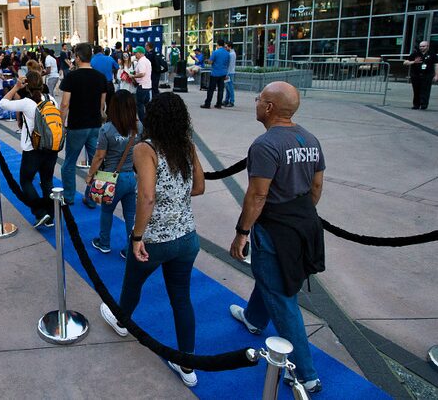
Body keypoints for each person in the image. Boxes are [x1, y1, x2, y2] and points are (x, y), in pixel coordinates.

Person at [99, 92, 205, 388]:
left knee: (132, 284)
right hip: (187, 237)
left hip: (155, 238)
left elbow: (146, 197)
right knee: (181, 298)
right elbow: (198, 187)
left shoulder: (145, 149)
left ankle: (122, 321)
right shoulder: (187, 146)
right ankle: (188, 363)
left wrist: (136, 236)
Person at [228, 81, 326, 394]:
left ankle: (305, 372)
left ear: (269, 108)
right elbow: (317, 187)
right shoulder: (310, 138)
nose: (256, 102)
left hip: (275, 228)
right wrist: (299, 216)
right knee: (271, 277)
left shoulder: (265, 144)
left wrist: (242, 233)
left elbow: (258, 195)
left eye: (260, 99)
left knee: (284, 299)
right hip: (303, 222)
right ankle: (255, 318)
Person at [86, 90, 142, 258]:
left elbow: (99, 156)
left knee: (107, 211)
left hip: (110, 179)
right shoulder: (138, 127)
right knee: (131, 214)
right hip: (131, 177)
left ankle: (104, 243)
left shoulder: (106, 129)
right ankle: (130, 247)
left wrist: (90, 175)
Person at [0, 70, 58, 228]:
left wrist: (16, 87)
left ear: (27, 85)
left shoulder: (27, 103)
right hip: (51, 148)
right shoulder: (51, 99)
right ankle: (51, 216)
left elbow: (2, 103)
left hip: (32, 149)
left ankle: (40, 212)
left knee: (26, 181)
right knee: (47, 181)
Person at [59, 43, 108, 207]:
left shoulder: (71, 77)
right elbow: (102, 105)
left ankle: (69, 196)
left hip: (77, 125)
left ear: (78, 57)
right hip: (95, 125)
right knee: (97, 162)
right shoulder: (100, 77)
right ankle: (92, 197)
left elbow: (65, 104)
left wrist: (61, 123)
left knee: (69, 163)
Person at [403, 40, 438, 110]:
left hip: (427, 75)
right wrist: (414, 62)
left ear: (427, 46)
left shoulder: (432, 54)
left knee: (425, 90)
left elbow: (436, 65)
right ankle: (416, 105)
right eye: (420, 46)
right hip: (416, 75)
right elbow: (405, 62)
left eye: (423, 46)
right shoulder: (415, 54)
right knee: (416, 90)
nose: (421, 48)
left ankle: (424, 105)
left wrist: (436, 75)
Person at [201, 38, 230, 109]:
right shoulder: (227, 53)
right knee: (221, 89)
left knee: (211, 89)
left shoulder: (215, 52)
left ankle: (207, 104)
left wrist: (208, 60)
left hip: (215, 73)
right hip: (223, 73)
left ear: (217, 44)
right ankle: (219, 104)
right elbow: (227, 64)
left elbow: (210, 62)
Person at [132, 46, 153, 122]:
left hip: (142, 86)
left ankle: (143, 122)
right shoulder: (147, 60)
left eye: (136, 53)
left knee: (140, 105)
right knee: (146, 105)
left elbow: (142, 73)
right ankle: (148, 122)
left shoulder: (141, 61)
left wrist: (133, 76)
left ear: (140, 53)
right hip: (147, 86)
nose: (135, 54)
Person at [223, 41, 237, 107]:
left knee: (230, 87)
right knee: (228, 87)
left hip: (229, 73)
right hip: (230, 72)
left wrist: (226, 74)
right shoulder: (232, 53)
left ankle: (231, 101)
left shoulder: (231, 54)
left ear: (229, 47)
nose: (225, 48)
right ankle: (226, 100)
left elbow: (229, 65)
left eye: (226, 47)